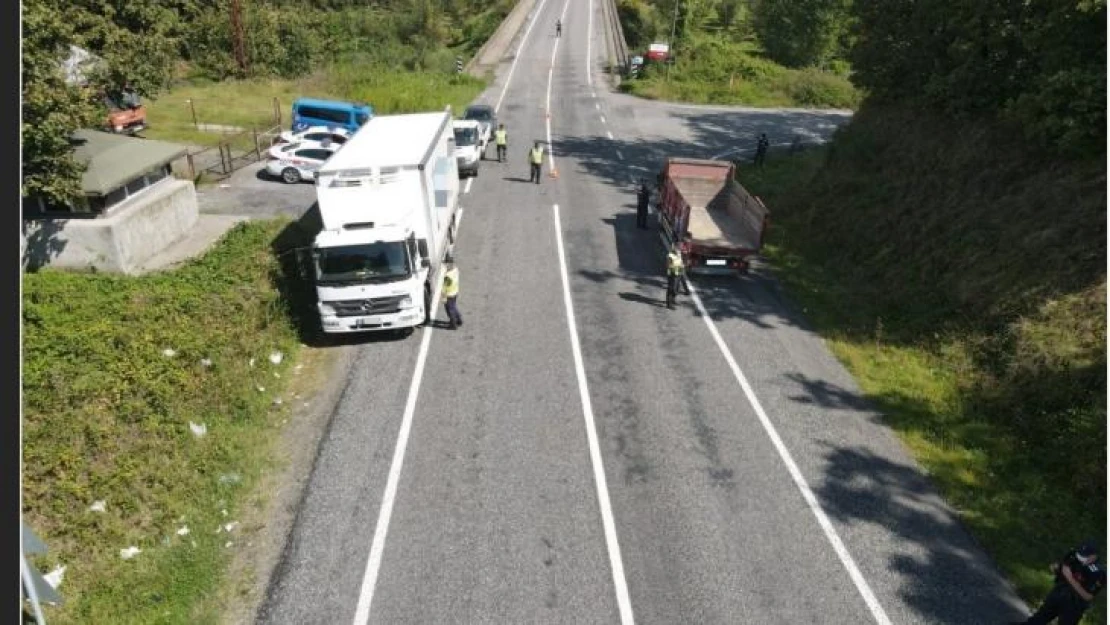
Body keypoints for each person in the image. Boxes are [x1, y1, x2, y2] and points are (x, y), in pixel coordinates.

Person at [1015, 541, 1104, 625]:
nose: (1080, 558)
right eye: (1080, 554)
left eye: (1084, 556)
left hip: (1074, 605)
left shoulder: (1098, 573)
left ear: (1094, 556)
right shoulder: (1074, 554)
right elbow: (1063, 567)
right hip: (1059, 592)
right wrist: (1057, 568)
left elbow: (1088, 596)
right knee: (1038, 619)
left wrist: (1070, 578)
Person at [442, 256, 463, 329]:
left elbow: (445, 287)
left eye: (446, 264)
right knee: (454, 307)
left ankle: (453, 324)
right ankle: (459, 319)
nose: (445, 265)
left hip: (449, 295)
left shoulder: (448, 276)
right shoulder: (456, 269)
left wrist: (444, 297)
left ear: (449, 264)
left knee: (450, 310)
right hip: (455, 292)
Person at [665, 242, 685, 310]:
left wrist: (682, 265)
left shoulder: (679, 253)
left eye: (681, 248)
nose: (680, 249)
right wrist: (678, 266)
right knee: (671, 289)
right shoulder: (670, 255)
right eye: (679, 248)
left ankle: (673, 299)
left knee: (677, 288)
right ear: (675, 247)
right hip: (672, 274)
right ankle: (669, 304)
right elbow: (668, 266)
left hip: (678, 273)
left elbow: (680, 261)